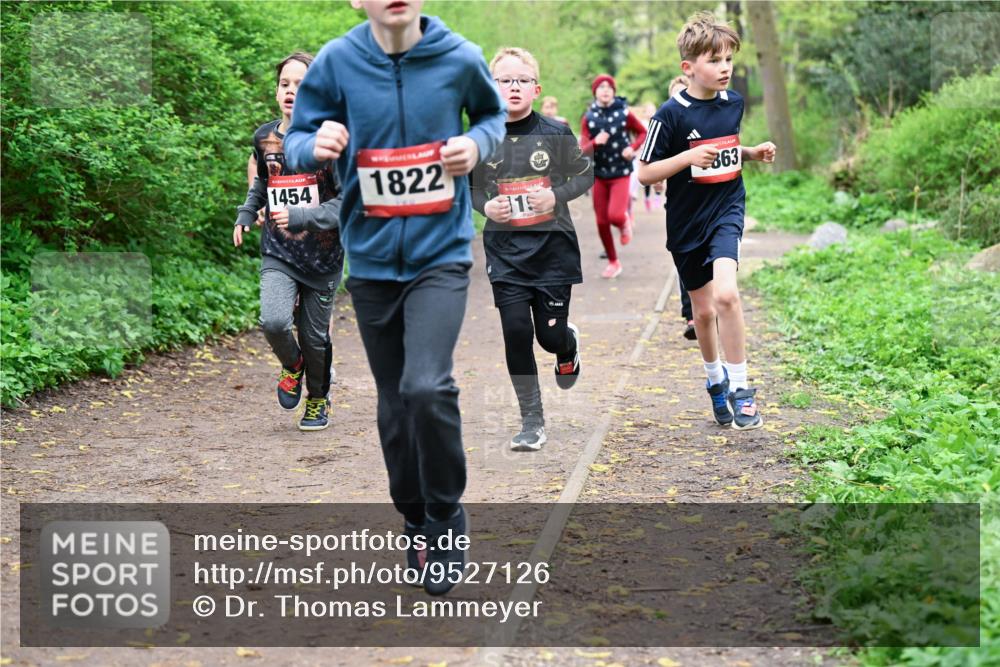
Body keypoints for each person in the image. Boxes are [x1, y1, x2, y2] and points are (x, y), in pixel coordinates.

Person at [282, 0, 506, 595]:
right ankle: (411, 510)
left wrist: (476, 145)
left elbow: (491, 117)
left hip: (442, 255)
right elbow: (296, 138)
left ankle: (445, 516)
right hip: (375, 263)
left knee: (426, 386)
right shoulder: (337, 62)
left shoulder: (459, 57)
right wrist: (316, 144)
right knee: (393, 401)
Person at [637, 12, 776, 430]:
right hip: (685, 222)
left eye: (729, 59)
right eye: (715, 60)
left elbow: (725, 147)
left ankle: (742, 390)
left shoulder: (733, 103)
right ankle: (715, 380)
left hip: (727, 209)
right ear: (689, 67)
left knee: (728, 297)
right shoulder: (669, 114)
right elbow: (644, 172)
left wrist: (750, 153)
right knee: (701, 314)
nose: (725, 68)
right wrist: (686, 158)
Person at [471, 47, 592, 452]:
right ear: (492, 87)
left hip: (552, 251)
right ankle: (532, 420)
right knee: (516, 332)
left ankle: (567, 345)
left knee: (549, 336)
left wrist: (554, 197)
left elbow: (585, 175)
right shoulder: (481, 136)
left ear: (536, 89)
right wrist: (486, 205)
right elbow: (469, 188)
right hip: (505, 252)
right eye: (505, 80)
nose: (514, 87)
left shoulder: (555, 133)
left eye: (522, 80)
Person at [233, 51, 345, 432]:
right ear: (277, 90)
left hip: (324, 256)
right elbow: (264, 181)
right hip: (279, 249)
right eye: (285, 84)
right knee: (275, 321)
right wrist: (247, 211)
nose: (291, 91)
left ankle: (318, 398)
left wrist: (300, 215)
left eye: (302, 85)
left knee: (315, 338)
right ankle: (293, 366)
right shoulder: (264, 137)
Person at [579, 74, 647, 279]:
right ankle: (613, 261)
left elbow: (643, 132)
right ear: (595, 92)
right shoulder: (588, 118)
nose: (606, 90)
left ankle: (624, 223)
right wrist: (595, 143)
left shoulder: (625, 114)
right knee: (601, 222)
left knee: (615, 215)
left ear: (614, 92)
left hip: (620, 173)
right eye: (601, 87)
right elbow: (582, 150)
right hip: (599, 174)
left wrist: (632, 148)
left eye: (609, 87)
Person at [663, 75, 697, 341]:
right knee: (686, 264)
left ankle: (708, 309)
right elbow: (650, 167)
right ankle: (691, 315)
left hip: (712, 203)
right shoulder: (666, 125)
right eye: (675, 95)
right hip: (680, 205)